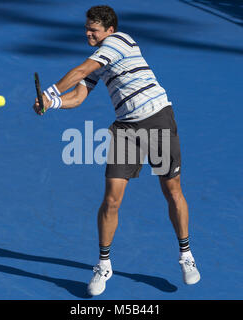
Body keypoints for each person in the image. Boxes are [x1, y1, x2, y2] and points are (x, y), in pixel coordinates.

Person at [33, 5, 200, 296]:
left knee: (172, 191)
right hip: (126, 129)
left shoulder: (119, 41)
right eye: (86, 28)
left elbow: (82, 69)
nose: (87, 33)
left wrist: (49, 93)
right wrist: (55, 103)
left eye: (93, 30)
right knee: (111, 199)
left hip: (158, 118)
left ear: (109, 30)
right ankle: (103, 264)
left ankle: (186, 255)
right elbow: (80, 94)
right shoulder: (101, 59)